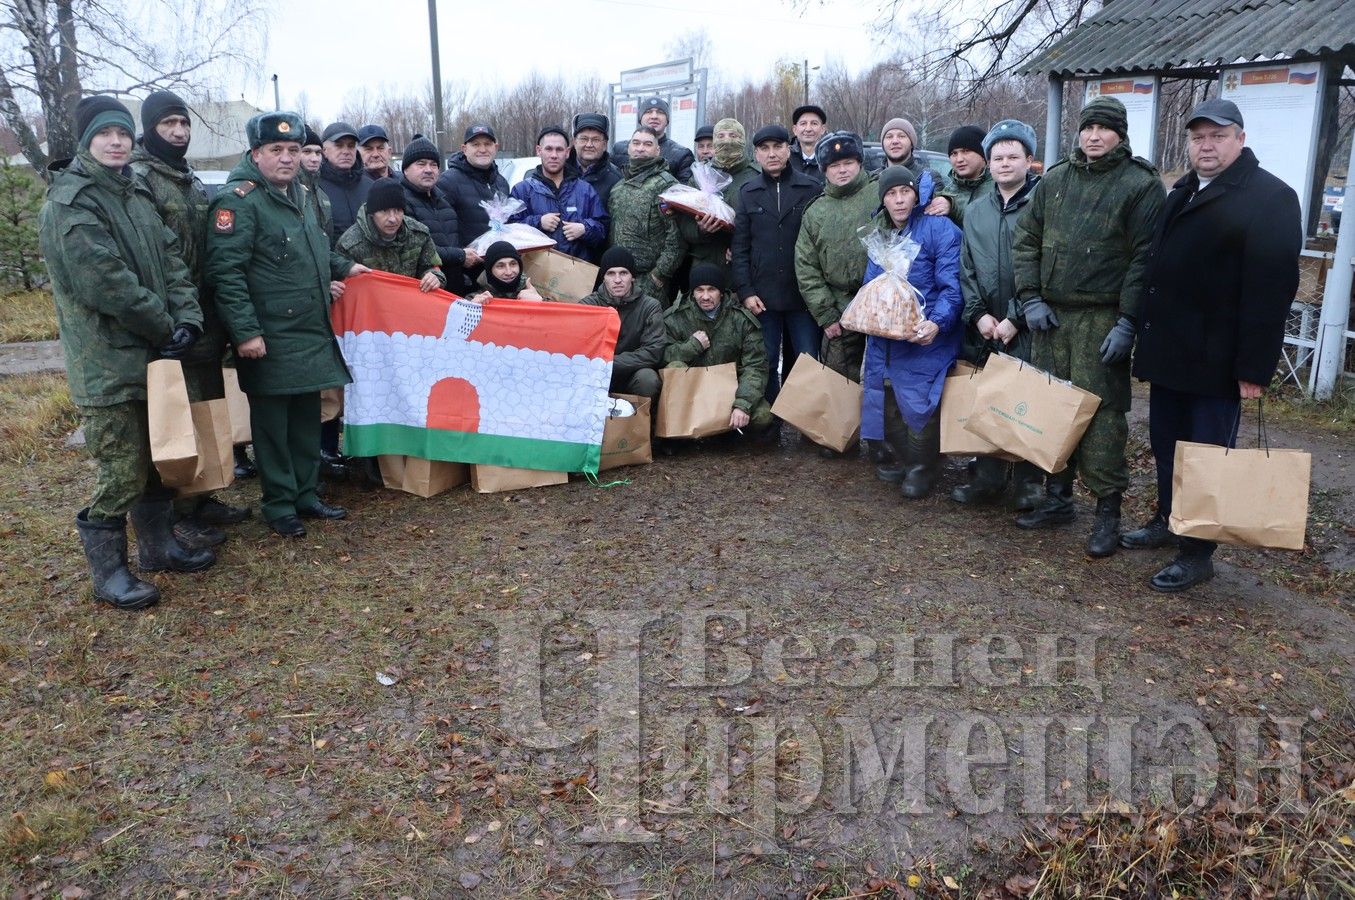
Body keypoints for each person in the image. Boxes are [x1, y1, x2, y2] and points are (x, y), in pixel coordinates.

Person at [40, 95, 214, 610]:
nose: (117, 142)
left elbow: (173, 261)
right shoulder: (70, 204)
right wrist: (165, 325)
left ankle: (158, 546)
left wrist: (187, 319)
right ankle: (109, 572)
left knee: (159, 458)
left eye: (122, 134)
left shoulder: (134, 193)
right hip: (108, 363)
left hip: (154, 354)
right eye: (104, 135)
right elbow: (106, 284)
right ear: (86, 141)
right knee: (121, 469)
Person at [1122, 98, 1301, 591]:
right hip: (1171, 353)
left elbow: (1272, 290)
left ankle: (1197, 551)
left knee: (1205, 455)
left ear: (1240, 140)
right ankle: (1167, 518)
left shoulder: (1269, 198)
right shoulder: (1180, 192)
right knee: (1166, 447)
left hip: (1218, 361)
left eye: (1217, 136)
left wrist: (1254, 367)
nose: (1206, 145)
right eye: (1198, 137)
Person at [1011, 96, 1165, 556]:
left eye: (1104, 128)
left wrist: (1128, 322)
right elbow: (1027, 241)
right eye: (1088, 127)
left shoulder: (1140, 186)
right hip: (1050, 319)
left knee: (1102, 418)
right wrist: (1030, 297)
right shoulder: (1054, 179)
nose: (1094, 135)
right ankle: (1057, 500)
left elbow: (1144, 261)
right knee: (1052, 409)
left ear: (1120, 134)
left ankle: (1107, 513)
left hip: (1102, 319)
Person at [206, 111, 370, 538]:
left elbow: (313, 251)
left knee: (304, 420)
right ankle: (279, 505)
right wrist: (245, 332)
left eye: (293, 150)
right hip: (269, 336)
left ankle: (305, 494)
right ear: (255, 153)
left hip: (309, 331)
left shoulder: (300, 195)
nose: (286, 158)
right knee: (272, 428)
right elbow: (226, 274)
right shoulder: (238, 201)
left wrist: (347, 265)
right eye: (276, 150)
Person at [130, 89, 251, 544]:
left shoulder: (190, 178)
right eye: (168, 125)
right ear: (151, 128)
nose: (179, 132)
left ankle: (202, 495)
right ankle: (177, 509)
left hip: (205, 310)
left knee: (207, 406)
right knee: (176, 413)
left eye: (183, 124)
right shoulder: (141, 177)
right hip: (170, 315)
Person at [951, 119, 1046, 509]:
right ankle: (988, 476)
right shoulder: (975, 211)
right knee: (989, 397)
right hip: (986, 326)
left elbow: (1044, 265)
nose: (1004, 164)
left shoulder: (1042, 206)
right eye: (997, 157)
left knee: (1028, 399)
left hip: (1028, 324)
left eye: (1013, 156)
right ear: (988, 164)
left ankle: (1028, 480)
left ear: (1029, 161)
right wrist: (978, 315)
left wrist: (1015, 316)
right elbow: (966, 267)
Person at [863, 166, 963, 499]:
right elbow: (871, 285)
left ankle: (924, 468)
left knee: (920, 406)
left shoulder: (939, 229)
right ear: (883, 201)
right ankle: (909, 462)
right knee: (887, 404)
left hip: (926, 336)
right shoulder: (881, 236)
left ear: (916, 195)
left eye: (904, 192)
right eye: (891, 194)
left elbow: (952, 286)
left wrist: (937, 322)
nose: (899, 200)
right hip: (886, 338)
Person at [730, 124, 823, 404]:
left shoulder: (811, 188)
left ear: (788, 149)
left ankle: (804, 419)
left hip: (803, 295)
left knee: (807, 360)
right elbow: (740, 247)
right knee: (766, 360)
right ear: (756, 154)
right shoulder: (748, 193)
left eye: (778, 147)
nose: (772, 154)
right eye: (764, 149)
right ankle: (768, 421)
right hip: (763, 296)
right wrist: (746, 292)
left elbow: (818, 241)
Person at [795, 131, 877, 396]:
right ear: (824, 170)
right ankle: (842, 437)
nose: (842, 171)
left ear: (860, 164)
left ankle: (887, 436)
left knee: (887, 378)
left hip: (883, 302)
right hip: (840, 306)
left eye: (848, 163)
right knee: (839, 379)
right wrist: (826, 314)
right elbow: (807, 267)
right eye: (834, 166)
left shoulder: (881, 192)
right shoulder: (816, 212)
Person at [663, 263, 773, 433]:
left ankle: (730, 430)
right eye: (699, 290)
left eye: (711, 289)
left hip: (728, 393)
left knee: (763, 415)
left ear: (721, 292)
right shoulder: (675, 318)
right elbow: (663, 355)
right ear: (692, 292)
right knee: (674, 368)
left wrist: (742, 404)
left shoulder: (741, 320)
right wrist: (692, 346)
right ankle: (679, 433)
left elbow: (756, 365)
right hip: (693, 396)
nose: (705, 296)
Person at [509, 125, 608, 262]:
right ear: (539, 150)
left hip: (577, 274)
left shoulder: (585, 190)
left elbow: (603, 229)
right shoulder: (522, 190)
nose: (554, 155)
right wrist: (538, 222)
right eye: (548, 149)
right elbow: (510, 231)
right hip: (537, 273)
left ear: (567, 152)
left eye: (559, 150)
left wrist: (585, 229)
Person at [674, 117, 760, 273]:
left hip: (744, 268)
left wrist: (745, 249)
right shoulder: (700, 175)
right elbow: (683, 224)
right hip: (705, 267)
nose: (727, 141)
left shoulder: (757, 177)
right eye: (721, 136)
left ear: (742, 139)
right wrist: (700, 230)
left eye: (733, 136)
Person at [579, 246, 666, 399]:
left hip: (631, 374)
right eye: (611, 273)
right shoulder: (589, 305)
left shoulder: (650, 306)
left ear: (632, 277)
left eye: (623, 273)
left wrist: (610, 362)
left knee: (648, 380)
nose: (617, 280)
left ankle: (643, 420)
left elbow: (653, 351)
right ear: (603, 278)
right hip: (596, 373)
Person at [608, 127, 682, 298]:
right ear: (629, 148)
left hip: (649, 283)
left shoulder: (666, 186)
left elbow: (677, 238)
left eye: (647, 144)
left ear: (657, 150)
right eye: (636, 143)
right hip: (618, 280)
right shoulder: (618, 187)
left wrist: (658, 275)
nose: (640, 148)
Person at [337, 177, 445, 291]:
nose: (393, 219)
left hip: (409, 301)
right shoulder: (349, 245)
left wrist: (434, 277)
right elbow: (343, 287)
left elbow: (432, 267)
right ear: (372, 213)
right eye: (385, 211)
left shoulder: (419, 234)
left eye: (398, 210)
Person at [436, 123, 510, 290]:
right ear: (464, 149)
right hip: (467, 273)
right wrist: (460, 258)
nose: (482, 149)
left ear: (496, 147)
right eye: (476, 144)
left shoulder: (501, 183)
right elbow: (444, 231)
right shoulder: (448, 182)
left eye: (487, 144)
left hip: (499, 272)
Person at [399, 133, 465, 291]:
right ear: (405, 169)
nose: (429, 170)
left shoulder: (444, 201)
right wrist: (461, 255)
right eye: (421, 164)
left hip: (454, 290)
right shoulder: (400, 203)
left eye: (433, 164)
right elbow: (416, 250)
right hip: (424, 290)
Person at [610, 96, 695, 182]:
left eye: (660, 112)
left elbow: (686, 191)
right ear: (640, 118)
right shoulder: (618, 150)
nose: (654, 116)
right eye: (648, 112)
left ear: (667, 120)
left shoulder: (682, 155)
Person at [317, 121, 370, 243]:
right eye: (339, 145)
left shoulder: (370, 187)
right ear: (324, 150)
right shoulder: (314, 187)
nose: (346, 151)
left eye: (351, 146)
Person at [937, 125, 991, 225]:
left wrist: (953, 209)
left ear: (983, 155)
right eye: (954, 153)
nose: (959, 159)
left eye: (966, 151)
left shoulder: (1001, 187)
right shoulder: (947, 193)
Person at [569, 113, 623, 209]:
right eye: (584, 139)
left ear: (605, 144)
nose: (589, 144)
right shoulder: (559, 172)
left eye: (596, 139)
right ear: (574, 141)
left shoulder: (616, 180)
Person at [467, 241, 543, 301]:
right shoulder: (475, 299)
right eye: (500, 266)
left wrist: (541, 303)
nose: (509, 272)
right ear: (489, 271)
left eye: (513, 264)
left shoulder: (532, 294)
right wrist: (473, 308)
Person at [298, 124, 332, 238]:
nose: (314, 159)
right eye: (307, 152)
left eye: (318, 153)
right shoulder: (287, 190)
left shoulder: (322, 194)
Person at [789, 104, 828, 183]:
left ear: (823, 129)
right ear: (795, 129)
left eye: (814, 123)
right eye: (803, 123)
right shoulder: (785, 158)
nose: (808, 129)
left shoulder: (831, 158)